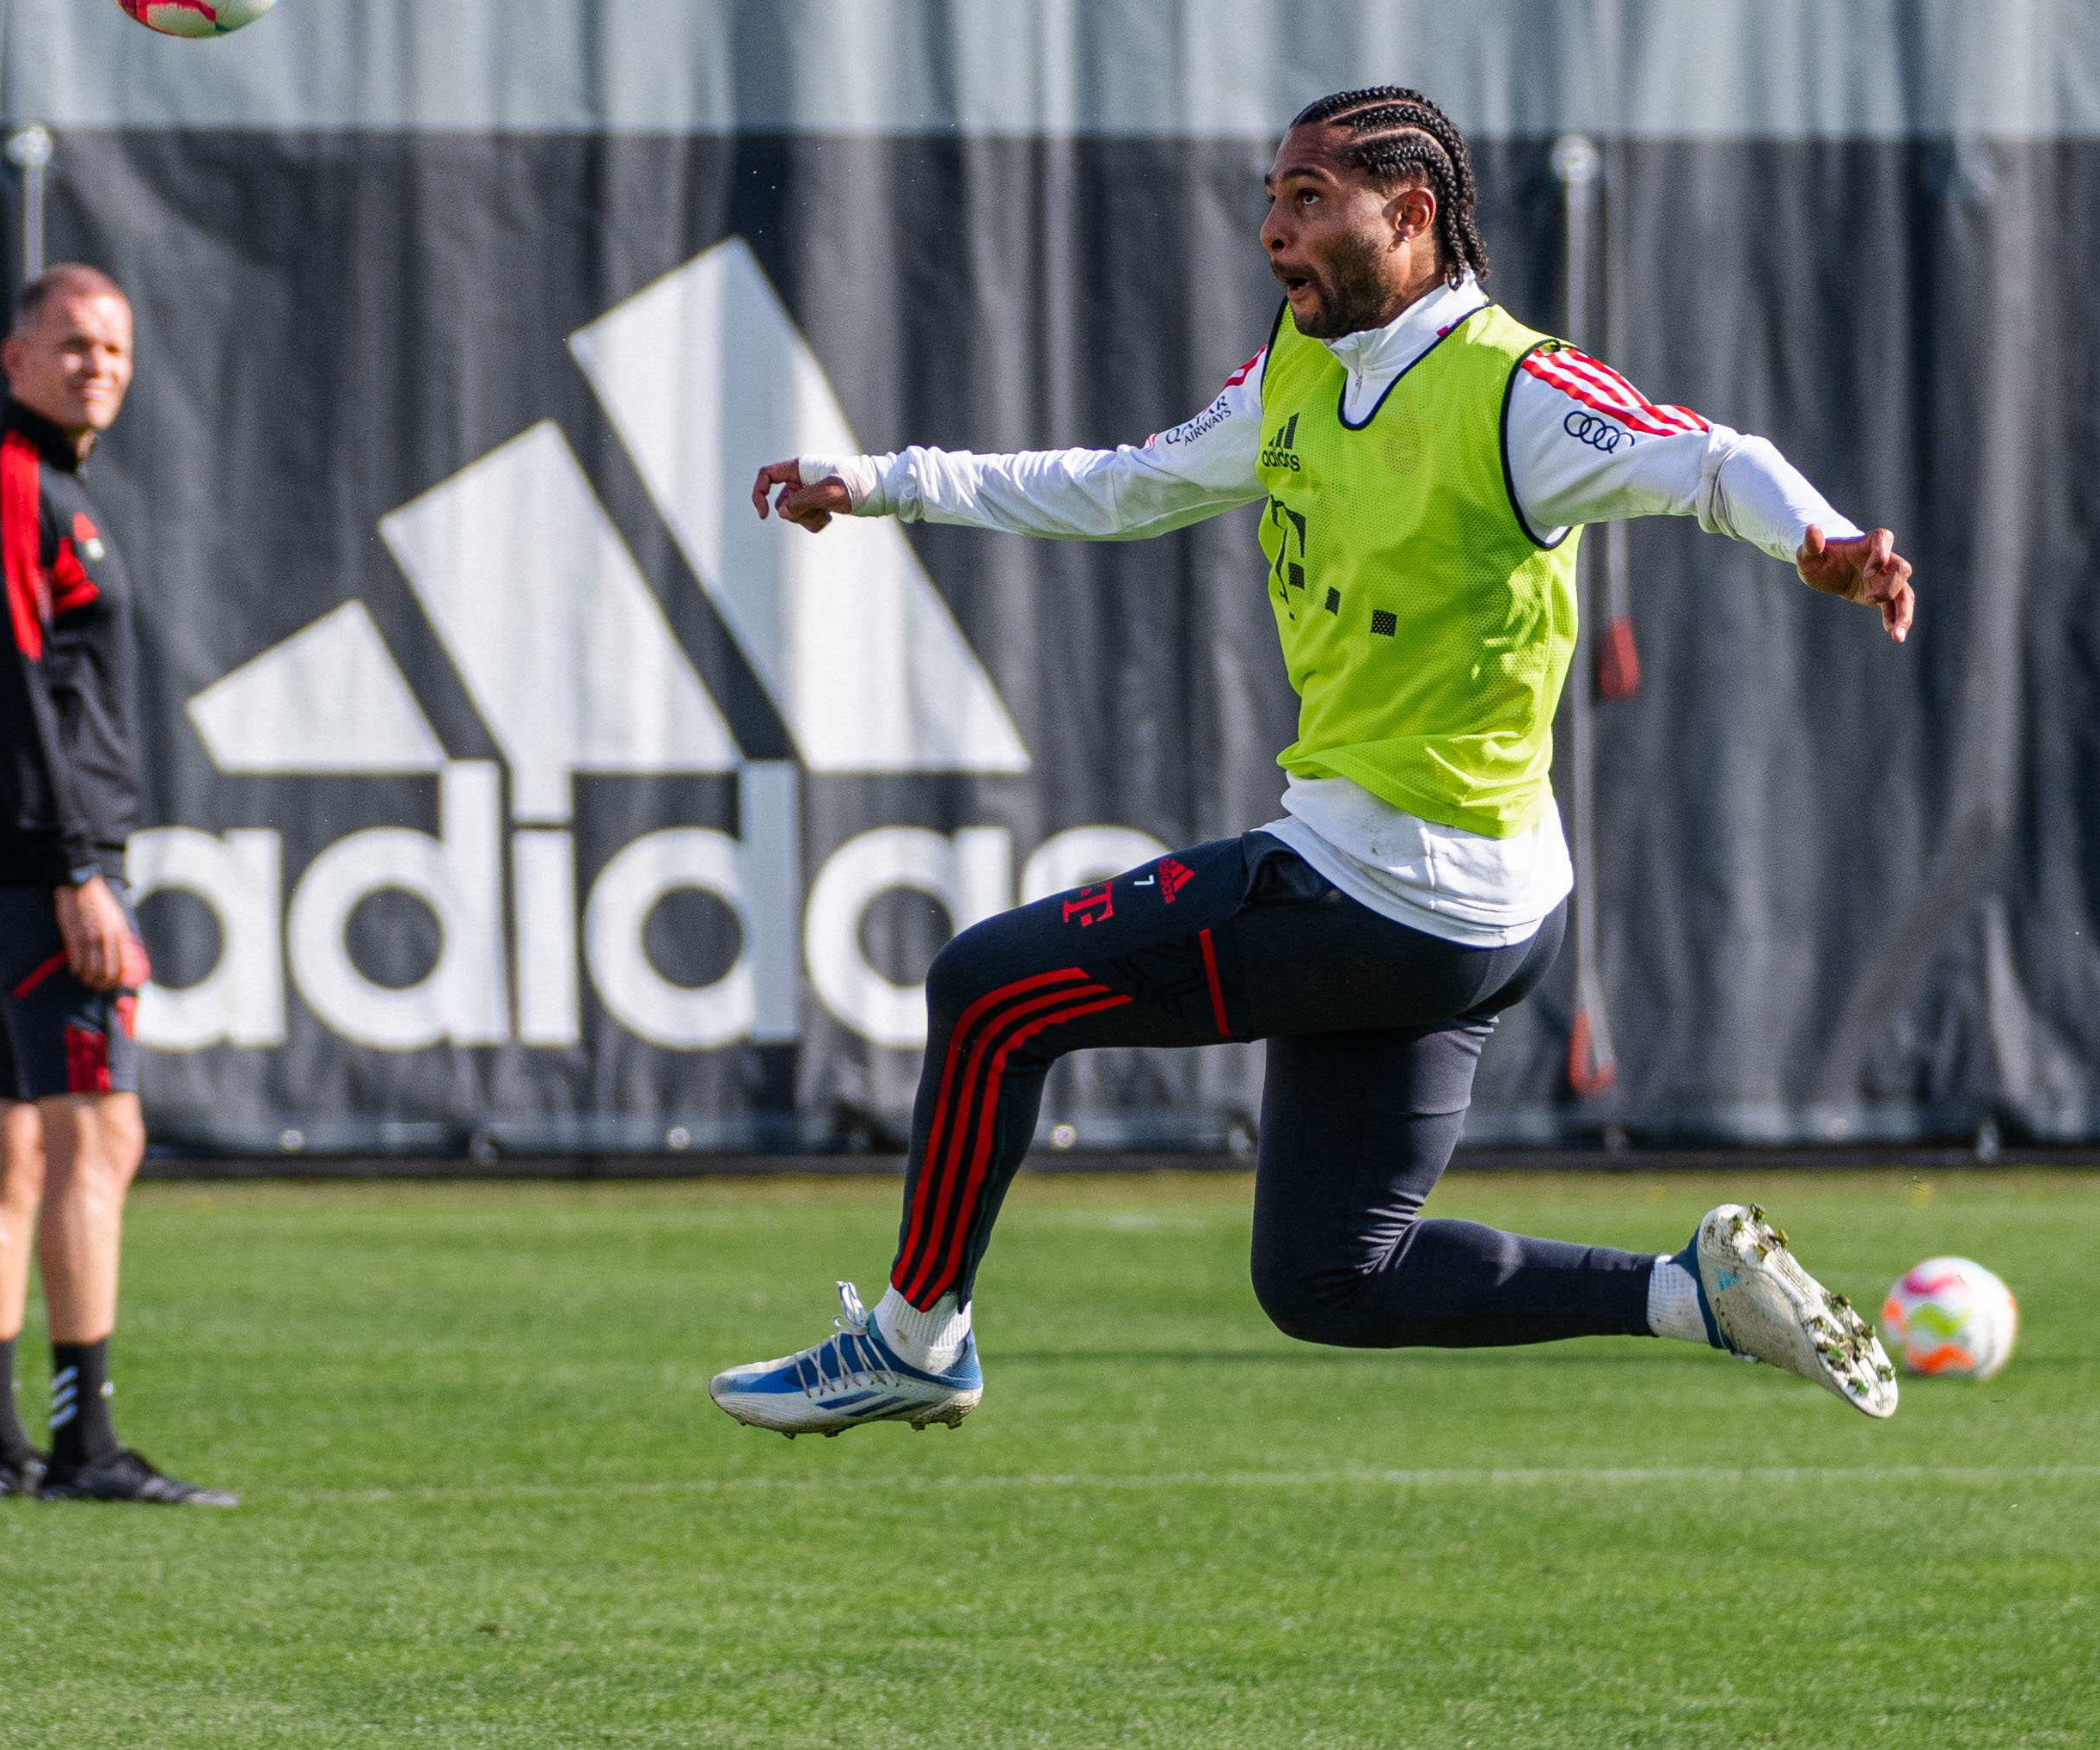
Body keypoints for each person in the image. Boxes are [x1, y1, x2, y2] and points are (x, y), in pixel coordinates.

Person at [711, 88, 1917, 1435]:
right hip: (1469, 911)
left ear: (1409, 216)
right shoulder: (1302, 365)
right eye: (1272, 200)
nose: (1275, 233)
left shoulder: (1510, 386)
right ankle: (1692, 1295)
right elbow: (1125, 483)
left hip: (1383, 883)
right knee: (1332, 1275)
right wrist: (887, 480)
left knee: (989, 994)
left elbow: (1709, 459)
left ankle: (916, 1337)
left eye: (1308, 200)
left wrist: (1820, 541)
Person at [0, 263, 231, 1503]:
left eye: (113, 346)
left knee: (7, 1145)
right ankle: (83, 1446)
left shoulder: (56, 491)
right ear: (13, 360)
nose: (95, 364)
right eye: (69, 344)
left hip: (7, 863)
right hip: (41, 868)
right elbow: (9, 682)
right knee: (101, 1134)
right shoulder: (8, 485)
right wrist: (77, 872)